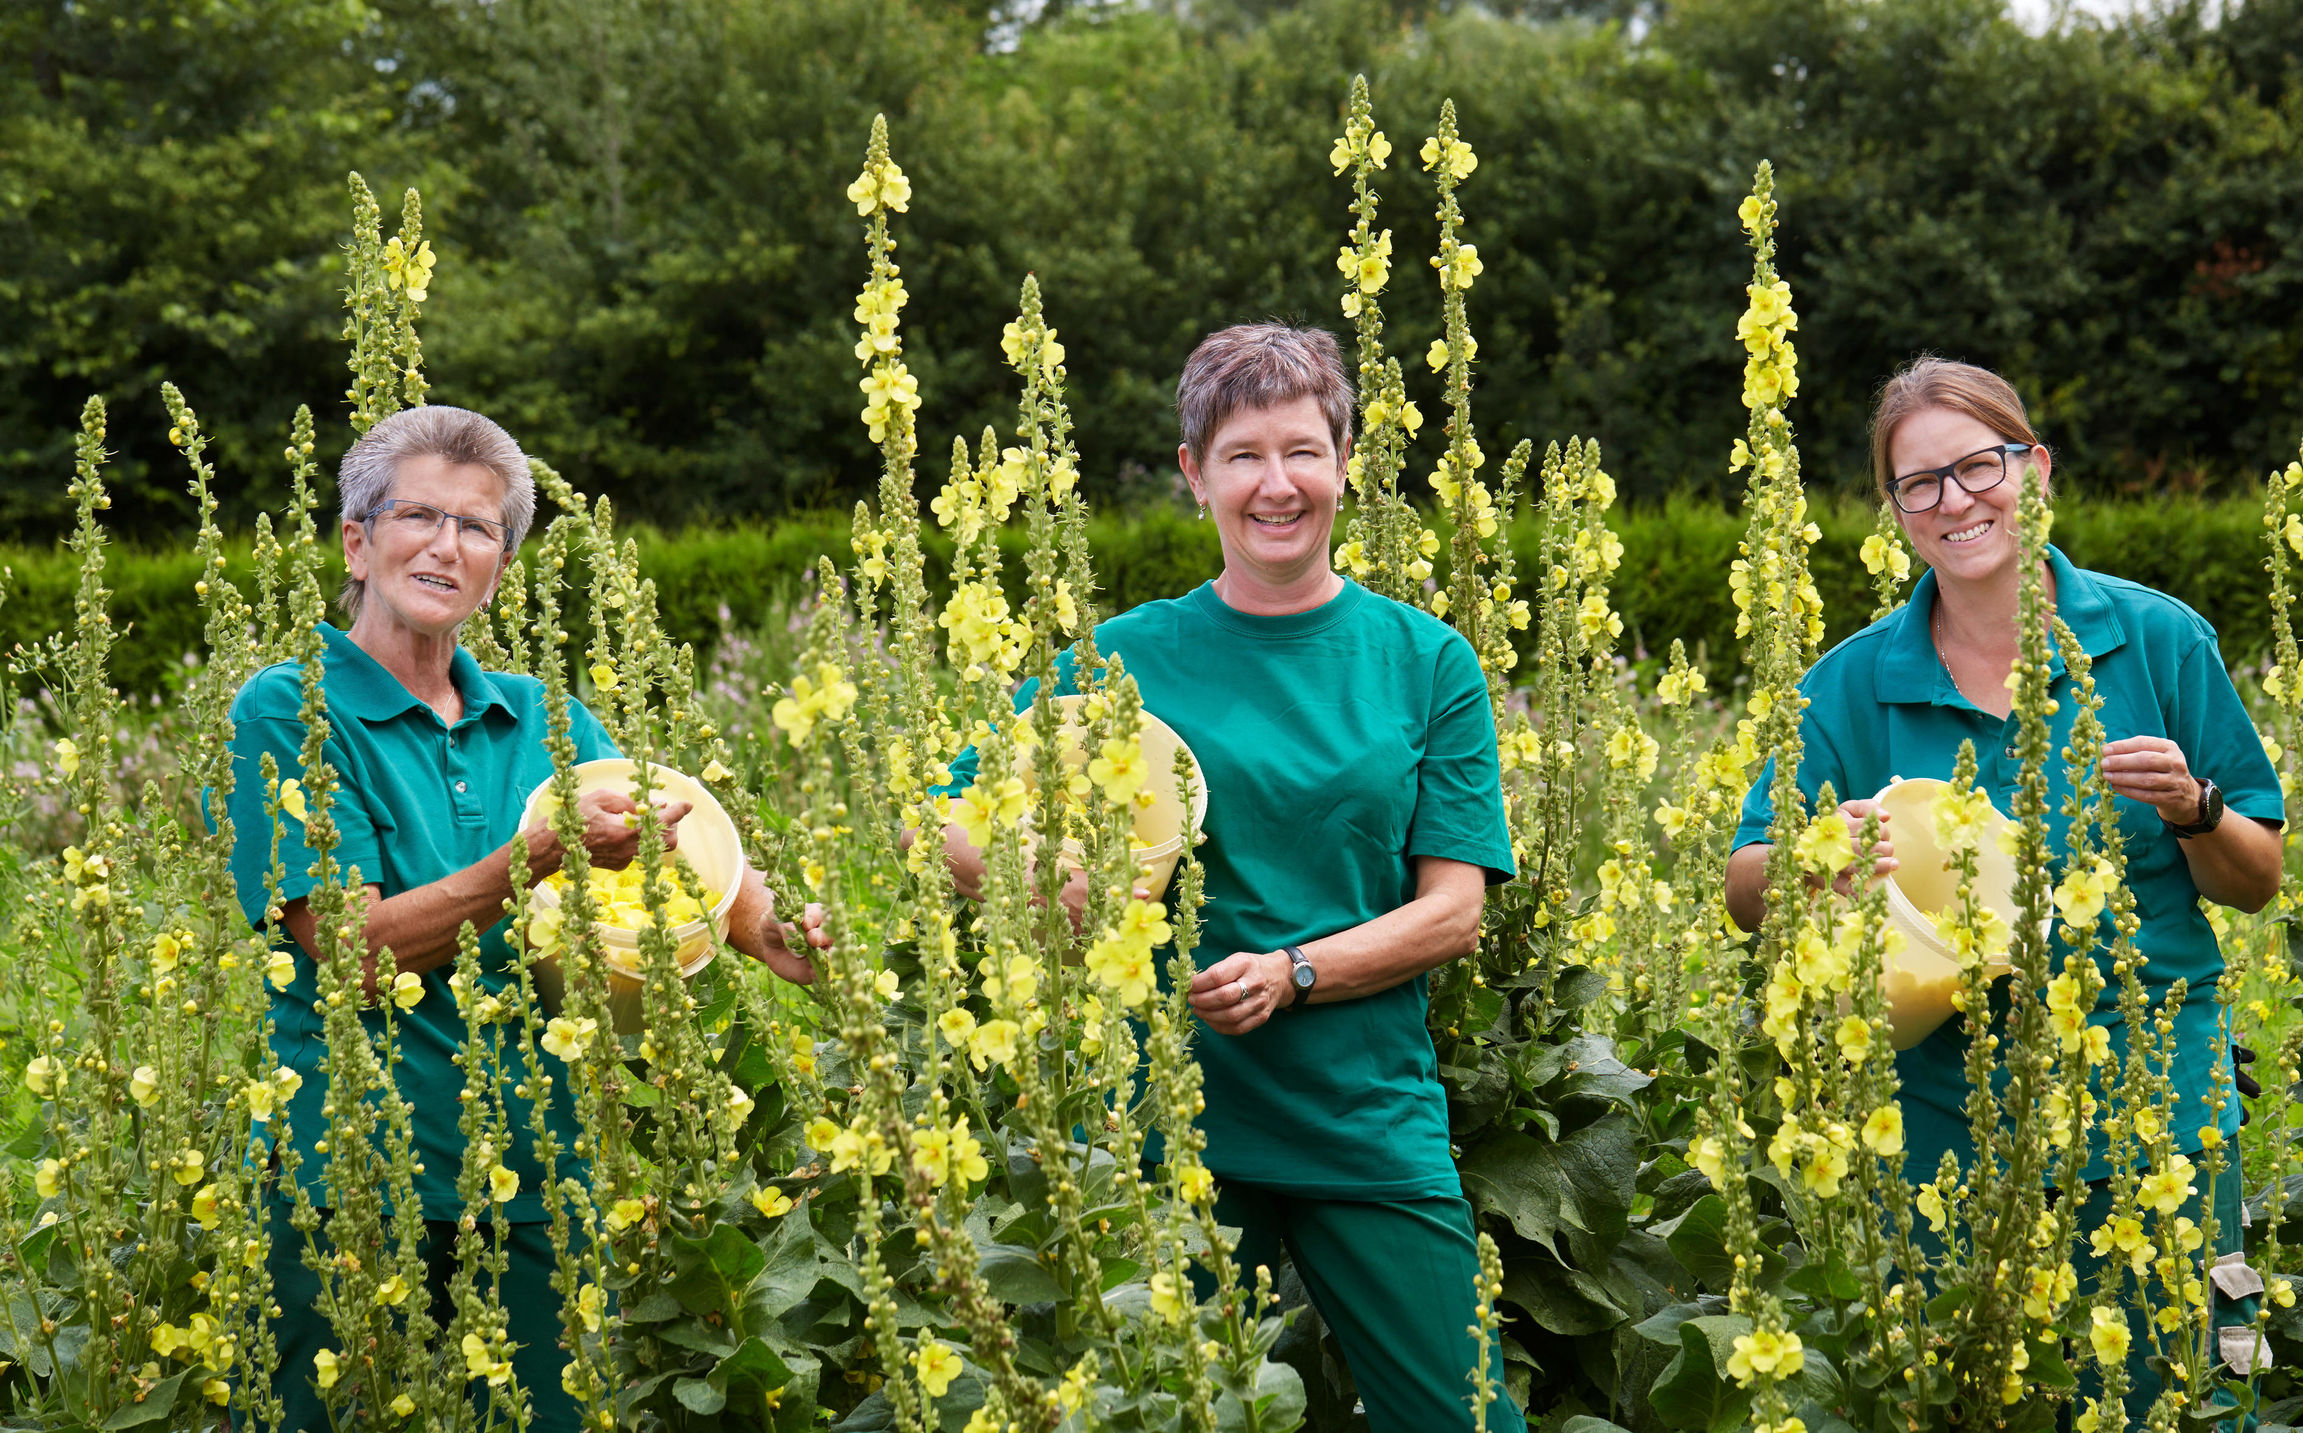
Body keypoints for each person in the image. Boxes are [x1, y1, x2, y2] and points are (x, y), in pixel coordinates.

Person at [935, 324, 1524, 1432]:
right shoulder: (1120, 658)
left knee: (1461, 1414)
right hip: (1171, 1120)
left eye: (1302, 449)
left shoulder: (1423, 659)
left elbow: (1452, 911)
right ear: (1192, 472)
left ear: (1345, 461)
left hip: (1364, 1109)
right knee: (1175, 1410)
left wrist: (1294, 971)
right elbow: (941, 820)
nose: (1276, 483)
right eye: (1242, 453)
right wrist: (1032, 874)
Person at [224, 404, 824, 1430]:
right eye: (419, 515)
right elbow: (351, 953)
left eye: (479, 527)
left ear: (502, 561)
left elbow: (722, 894)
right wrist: (531, 859)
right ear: (357, 540)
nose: (446, 545)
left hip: (539, 1179)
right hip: (349, 1185)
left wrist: (800, 936)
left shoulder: (544, 716)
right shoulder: (291, 710)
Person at [1723, 358, 2282, 1398]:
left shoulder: (2154, 640)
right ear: (1893, 511)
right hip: (1944, 1117)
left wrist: (2194, 806)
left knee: (2172, 1388)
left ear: (2033, 467)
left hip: (2150, 1101)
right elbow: (1744, 883)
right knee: (1973, 1391)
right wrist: (1817, 852)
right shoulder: (1847, 680)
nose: (1955, 501)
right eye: (1917, 484)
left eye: (1977, 465)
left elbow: (2253, 879)